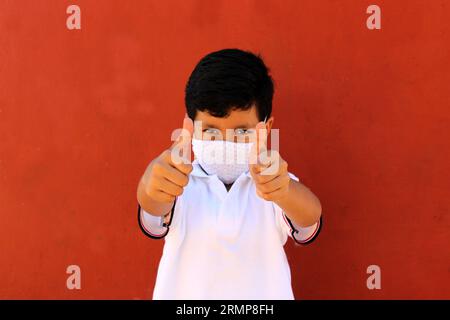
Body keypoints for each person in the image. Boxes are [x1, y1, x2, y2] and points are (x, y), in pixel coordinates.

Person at [136, 48, 322, 299]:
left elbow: (309, 220)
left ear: (266, 128)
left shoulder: (273, 182)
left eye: (242, 132)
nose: (225, 142)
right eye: (211, 130)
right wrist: (150, 184)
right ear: (189, 126)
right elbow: (152, 210)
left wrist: (286, 190)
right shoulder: (179, 182)